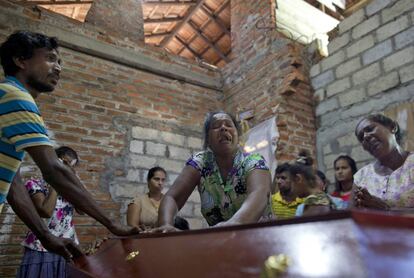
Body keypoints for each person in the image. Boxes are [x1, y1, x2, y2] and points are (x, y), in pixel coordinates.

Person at [0, 31, 138, 259]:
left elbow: (12, 185)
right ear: (20, 60)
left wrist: (46, 236)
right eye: (50, 58)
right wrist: (111, 223)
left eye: (60, 62)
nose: (58, 68)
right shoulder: (15, 96)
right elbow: (54, 169)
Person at [154, 111, 272, 232]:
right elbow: (172, 197)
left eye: (229, 125)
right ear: (208, 139)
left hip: (260, 239)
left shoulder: (253, 161)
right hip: (219, 242)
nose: (223, 128)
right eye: (216, 126)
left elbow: (259, 193)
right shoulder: (201, 162)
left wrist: (234, 224)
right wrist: (165, 225)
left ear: (238, 135)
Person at [18, 147, 81, 278]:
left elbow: (82, 210)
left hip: (67, 246)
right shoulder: (34, 183)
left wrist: (76, 184)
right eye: (64, 163)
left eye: (71, 166)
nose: (66, 169)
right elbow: (45, 211)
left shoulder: (69, 189)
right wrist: (56, 183)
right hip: (41, 246)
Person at [354, 114, 414, 210]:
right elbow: (351, 215)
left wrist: (387, 208)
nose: (365, 137)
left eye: (370, 129)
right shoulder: (361, 177)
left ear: (393, 127)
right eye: (361, 137)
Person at [290, 152, 346, 217]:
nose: (291, 188)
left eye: (291, 182)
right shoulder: (322, 200)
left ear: (298, 179)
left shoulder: (316, 205)